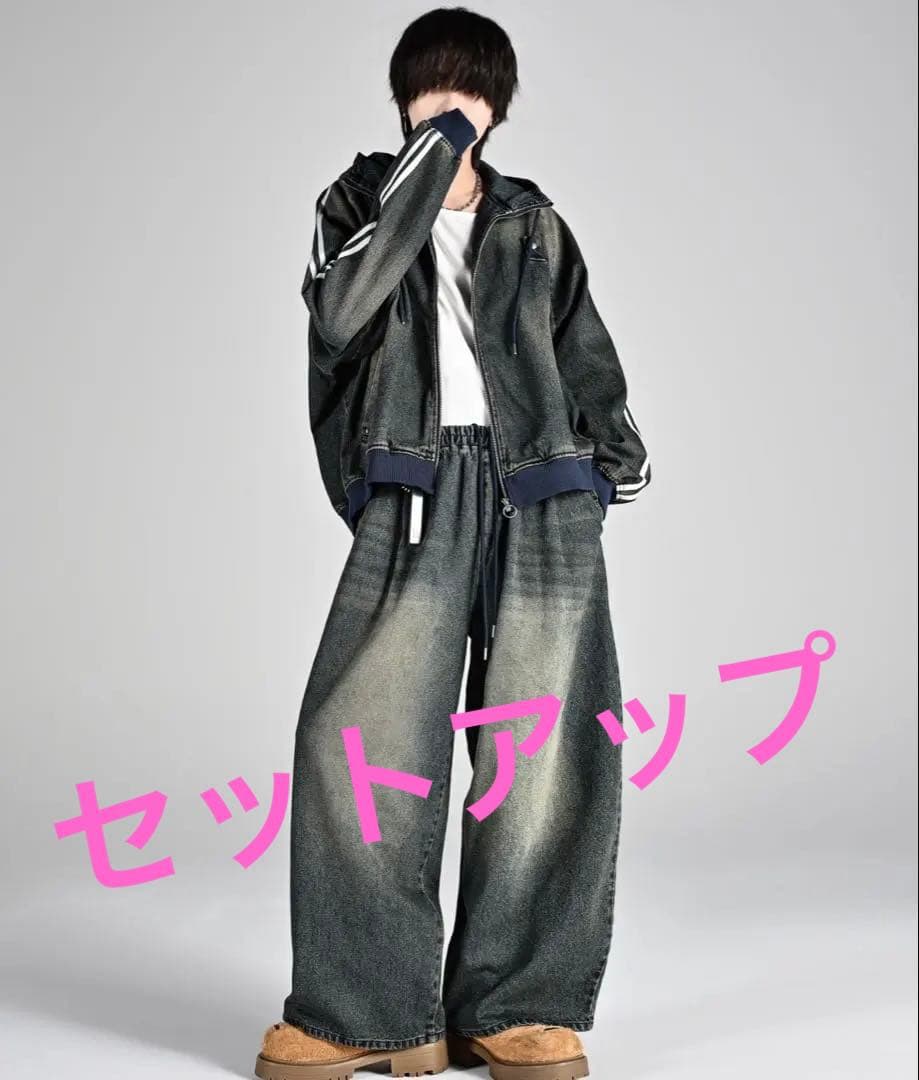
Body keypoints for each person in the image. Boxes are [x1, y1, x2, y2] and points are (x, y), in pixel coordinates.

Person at [255, 7, 651, 1079]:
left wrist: (601, 472)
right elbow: (340, 314)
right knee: (362, 740)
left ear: (498, 106)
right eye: (432, 85)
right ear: (403, 98)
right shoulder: (357, 202)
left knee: (542, 752)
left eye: (471, 88)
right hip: (418, 485)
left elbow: (587, 355)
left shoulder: (534, 222)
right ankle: (365, 1011)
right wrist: (427, 165)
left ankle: (513, 1006)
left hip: (540, 493)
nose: (451, 100)